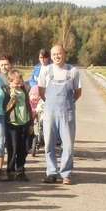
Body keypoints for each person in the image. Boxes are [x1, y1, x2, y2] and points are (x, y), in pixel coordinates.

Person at [38, 44, 82, 185]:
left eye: (59, 53)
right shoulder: (46, 70)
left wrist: (67, 104)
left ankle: (66, 174)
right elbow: (41, 91)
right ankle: (51, 172)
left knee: (68, 145)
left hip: (66, 113)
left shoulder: (73, 71)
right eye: (54, 54)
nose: (57, 56)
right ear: (51, 57)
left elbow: (78, 92)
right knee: (49, 144)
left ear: (65, 54)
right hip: (50, 112)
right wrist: (50, 104)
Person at [5, 70, 31, 181]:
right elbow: (6, 109)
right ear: (10, 82)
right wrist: (12, 98)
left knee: (24, 148)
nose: (19, 84)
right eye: (16, 83)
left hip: (24, 122)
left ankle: (20, 170)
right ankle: (10, 170)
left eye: (20, 81)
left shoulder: (24, 90)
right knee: (13, 148)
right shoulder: (6, 92)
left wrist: (30, 122)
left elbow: (28, 105)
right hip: (13, 124)